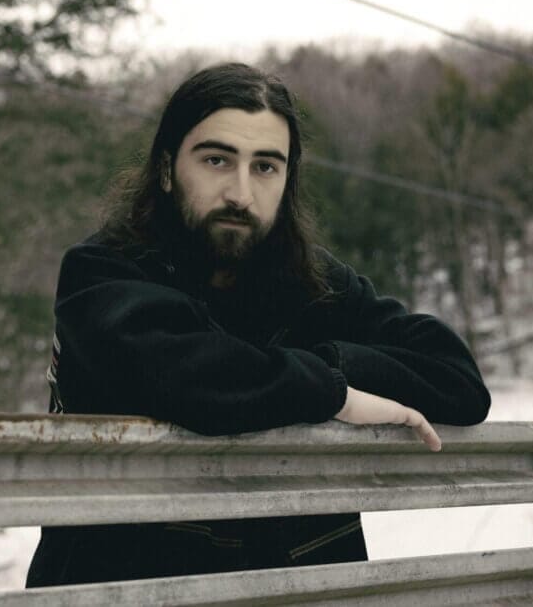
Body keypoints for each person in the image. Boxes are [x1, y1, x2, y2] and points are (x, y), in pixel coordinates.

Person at [26, 62, 490, 587]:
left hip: (302, 593)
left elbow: (458, 383)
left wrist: (333, 366)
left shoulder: (315, 284)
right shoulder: (101, 273)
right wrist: (334, 395)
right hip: (131, 592)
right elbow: (183, 373)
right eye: (217, 160)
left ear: (287, 181)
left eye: (265, 167)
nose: (241, 194)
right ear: (166, 169)